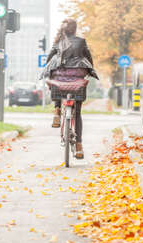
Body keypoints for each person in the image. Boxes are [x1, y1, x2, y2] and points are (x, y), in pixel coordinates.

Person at [41, 18, 99, 159]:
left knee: (56, 81)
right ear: (75, 29)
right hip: (77, 82)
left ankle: (57, 110)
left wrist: (51, 66)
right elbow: (89, 59)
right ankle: (79, 145)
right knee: (77, 113)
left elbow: (49, 59)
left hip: (60, 81)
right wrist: (90, 70)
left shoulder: (58, 42)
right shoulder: (81, 42)